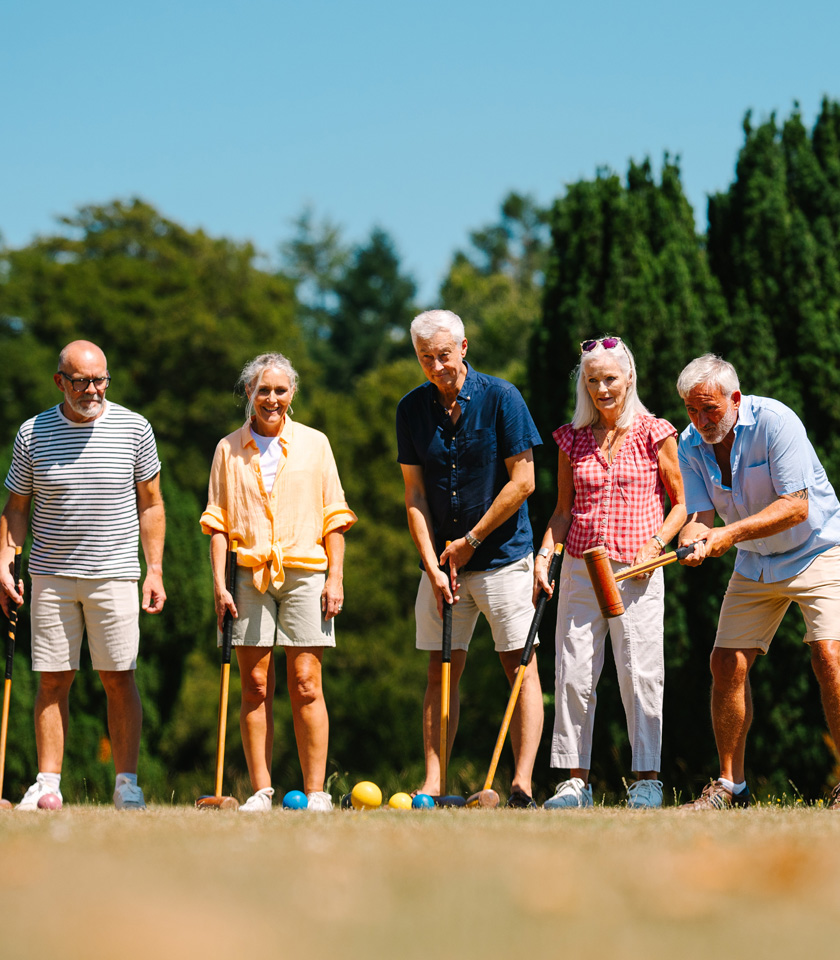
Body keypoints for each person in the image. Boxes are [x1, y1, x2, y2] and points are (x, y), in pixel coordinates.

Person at [0, 340, 166, 810]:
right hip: (50, 575)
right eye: (81, 381)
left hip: (115, 574)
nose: (92, 389)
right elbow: (15, 508)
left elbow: (151, 503)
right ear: (60, 382)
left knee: (119, 677)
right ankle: (47, 783)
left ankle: (126, 785)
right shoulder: (33, 433)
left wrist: (154, 569)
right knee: (53, 680)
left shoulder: (135, 428)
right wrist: (4, 562)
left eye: (100, 380)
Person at [676, 354, 840, 810]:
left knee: (830, 655)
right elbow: (699, 516)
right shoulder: (690, 443)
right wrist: (694, 539)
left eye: (709, 409)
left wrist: (725, 535)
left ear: (735, 398)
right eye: (691, 410)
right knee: (725, 663)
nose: (700, 420)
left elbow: (796, 506)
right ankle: (731, 787)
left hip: (818, 548)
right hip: (755, 559)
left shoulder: (776, 421)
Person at [396, 309, 543, 808]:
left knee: (519, 668)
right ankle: (433, 783)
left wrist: (472, 541)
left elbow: (524, 482)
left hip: (502, 557)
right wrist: (433, 565)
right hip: (443, 569)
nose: (437, 366)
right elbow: (414, 496)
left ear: (464, 347)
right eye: (425, 358)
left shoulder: (503, 397)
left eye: (443, 354)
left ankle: (521, 783)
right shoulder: (411, 410)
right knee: (441, 673)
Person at [200, 353, 356, 812]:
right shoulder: (227, 449)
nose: (272, 398)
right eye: (263, 389)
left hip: (307, 571)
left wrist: (336, 577)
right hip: (246, 575)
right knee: (255, 683)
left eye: (280, 390)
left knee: (306, 681)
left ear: (292, 394)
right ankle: (261, 791)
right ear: (248, 393)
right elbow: (218, 523)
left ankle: (317, 792)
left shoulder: (315, 444)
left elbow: (335, 518)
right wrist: (218, 584)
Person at [535, 336, 686, 810]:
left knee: (640, 673)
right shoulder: (571, 438)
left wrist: (656, 545)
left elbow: (682, 504)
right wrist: (545, 555)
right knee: (573, 673)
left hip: (635, 569)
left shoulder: (655, 432)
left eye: (610, 379)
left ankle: (647, 782)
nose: (602, 388)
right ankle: (573, 784)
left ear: (629, 378)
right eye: (593, 379)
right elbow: (563, 511)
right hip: (580, 566)